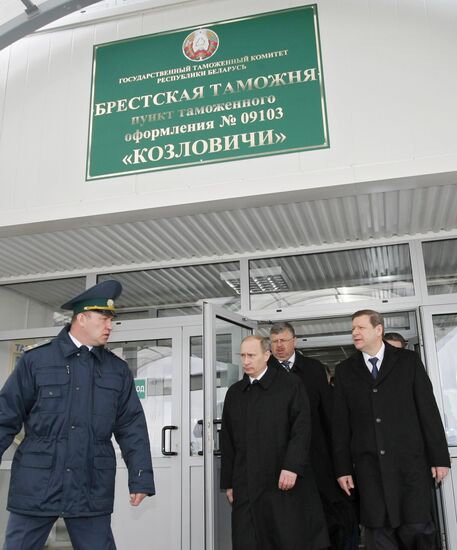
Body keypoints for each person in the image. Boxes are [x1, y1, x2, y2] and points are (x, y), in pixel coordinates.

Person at [0, 280, 155, 550]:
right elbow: (5, 415)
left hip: (90, 484)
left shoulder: (116, 371)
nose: (110, 326)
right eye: (104, 319)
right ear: (81, 319)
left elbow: (132, 426)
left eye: (112, 320)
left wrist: (140, 476)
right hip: (37, 481)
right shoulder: (36, 362)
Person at [333, 309, 450, 550]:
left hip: (409, 467)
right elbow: (340, 425)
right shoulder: (345, 370)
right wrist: (342, 468)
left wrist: (439, 458)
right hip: (370, 470)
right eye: (353, 328)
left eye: (360, 327)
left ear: (379, 330)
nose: (354, 332)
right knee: (379, 534)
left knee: (417, 529)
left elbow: (428, 411)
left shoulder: (408, 361)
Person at [220, 334, 329, 550]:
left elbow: (301, 429)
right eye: (242, 356)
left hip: (281, 482)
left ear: (267, 355)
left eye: (251, 355)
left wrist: (292, 466)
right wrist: (229, 483)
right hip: (246, 484)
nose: (246, 361)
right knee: (247, 540)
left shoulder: (289, 385)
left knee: (284, 538)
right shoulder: (235, 393)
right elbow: (228, 440)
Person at [268, 322, 358, 550]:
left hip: (317, 457)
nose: (279, 346)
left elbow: (329, 415)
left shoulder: (313, 368)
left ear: (294, 341)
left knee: (326, 517)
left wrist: (338, 460)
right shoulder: (264, 370)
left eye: (284, 340)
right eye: (274, 341)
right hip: (279, 458)